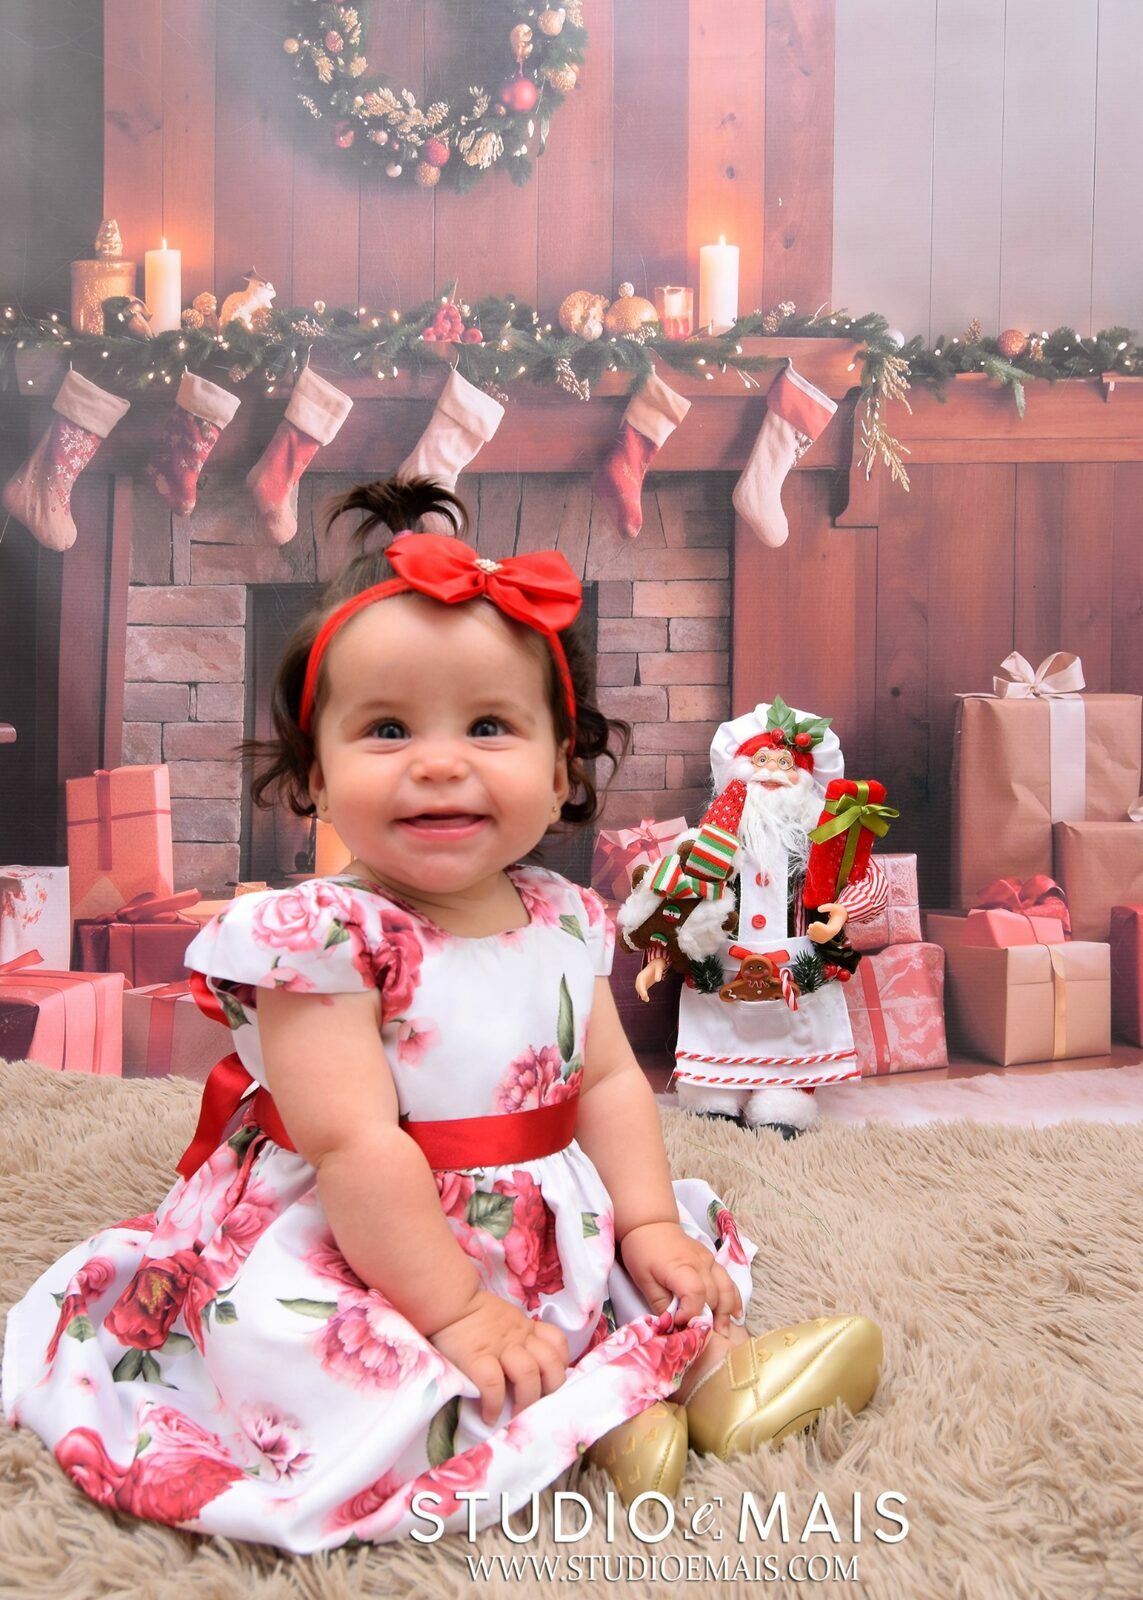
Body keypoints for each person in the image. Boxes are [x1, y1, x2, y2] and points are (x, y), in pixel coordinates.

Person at [2, 480, 882, 1553]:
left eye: (488, 726)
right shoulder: (326, 939)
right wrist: (458, 1309)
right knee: (330, 1352)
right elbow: (354, 1144)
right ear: (314, 775)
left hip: (535, 1207)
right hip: (374, 1226)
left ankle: (700, 1380)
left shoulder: (564, 915)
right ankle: (570, 1420)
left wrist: (647, 1221)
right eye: (386, 728)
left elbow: (605, 1080)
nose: (438, 760)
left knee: (654, 1272)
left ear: (560, 771)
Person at [619, 699, 889, 1139]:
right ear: (739, 771)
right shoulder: (711, 839)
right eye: (761, 760)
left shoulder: (819, 837)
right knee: (715, 1051)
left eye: (785, 764)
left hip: (794, 973)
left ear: (806, 779)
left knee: (791, 1050)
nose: (772, 772)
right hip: (720, 972)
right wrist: (658, 959)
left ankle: (784, 1096)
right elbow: (676, 901)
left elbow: (869, 879)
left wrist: (844, 910)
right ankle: (714, 1093)